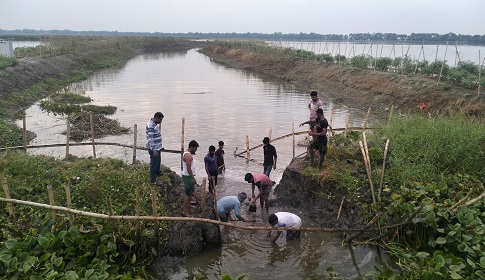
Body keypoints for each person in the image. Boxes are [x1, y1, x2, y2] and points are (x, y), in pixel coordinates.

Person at [182, 140, 199, 217]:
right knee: (188, 194)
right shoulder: (188, 156)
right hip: (188, 176)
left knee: (190, 192)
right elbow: (189, 168)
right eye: (195, 148)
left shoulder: (187, 154)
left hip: (188, 176)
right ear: (192, 147)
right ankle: (185, 211)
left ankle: (188, 205)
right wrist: (193, 178)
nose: (196, 150)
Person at [146, 112, 164, 186]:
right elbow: (150, 139)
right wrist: (153, 150)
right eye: (160, 119)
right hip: (154, 148)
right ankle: (153, 181)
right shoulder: (151, 126)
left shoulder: (154, 124)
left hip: (157, 147)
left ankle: (157, 172)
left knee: (158, 161)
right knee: (153, 163)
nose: (161, 121)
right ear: (156, 118)